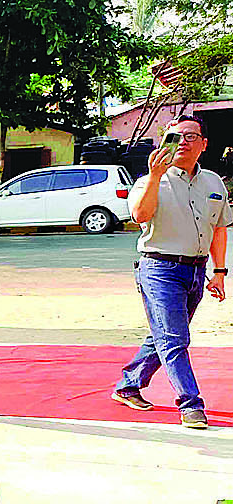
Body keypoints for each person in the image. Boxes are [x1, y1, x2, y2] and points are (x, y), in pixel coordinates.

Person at [113, 114, 230, 429]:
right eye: (175, 136)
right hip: (159, 269)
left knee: (165, 335)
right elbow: (140, 215)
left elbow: (219, 228)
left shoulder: (213, 183)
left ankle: (128, 384)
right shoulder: (149, 181)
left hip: (196, 270)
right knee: (175, 338)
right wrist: (155, 176)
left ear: (204, 144)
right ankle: (191, 404)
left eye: (191, 136)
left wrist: (219, 271)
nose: (183, 142)